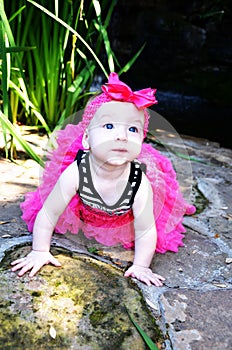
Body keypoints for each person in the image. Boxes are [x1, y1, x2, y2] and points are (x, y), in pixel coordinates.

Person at [11, 73, 195, 286]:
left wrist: (141, 266)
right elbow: (50, 212)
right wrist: (39, 250)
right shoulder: (77, 172)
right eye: (109, 126)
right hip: (89, 203)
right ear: (87, 139)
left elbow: (145, 228)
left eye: (133, 129)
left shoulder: (139, 183)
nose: (122, 136)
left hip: (121, 212)